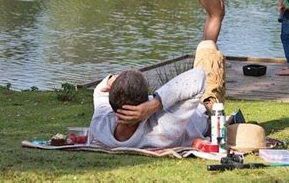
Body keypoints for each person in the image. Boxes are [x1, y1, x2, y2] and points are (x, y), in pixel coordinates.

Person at [89, 40, 225, 148]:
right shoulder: (163, 128)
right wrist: (154, 104)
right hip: (205, 111)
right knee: (207, 45)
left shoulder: (100, 125)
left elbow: (99, 93)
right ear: (144, 104)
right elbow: (198, 76)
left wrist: (110, 80)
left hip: (183, 99)